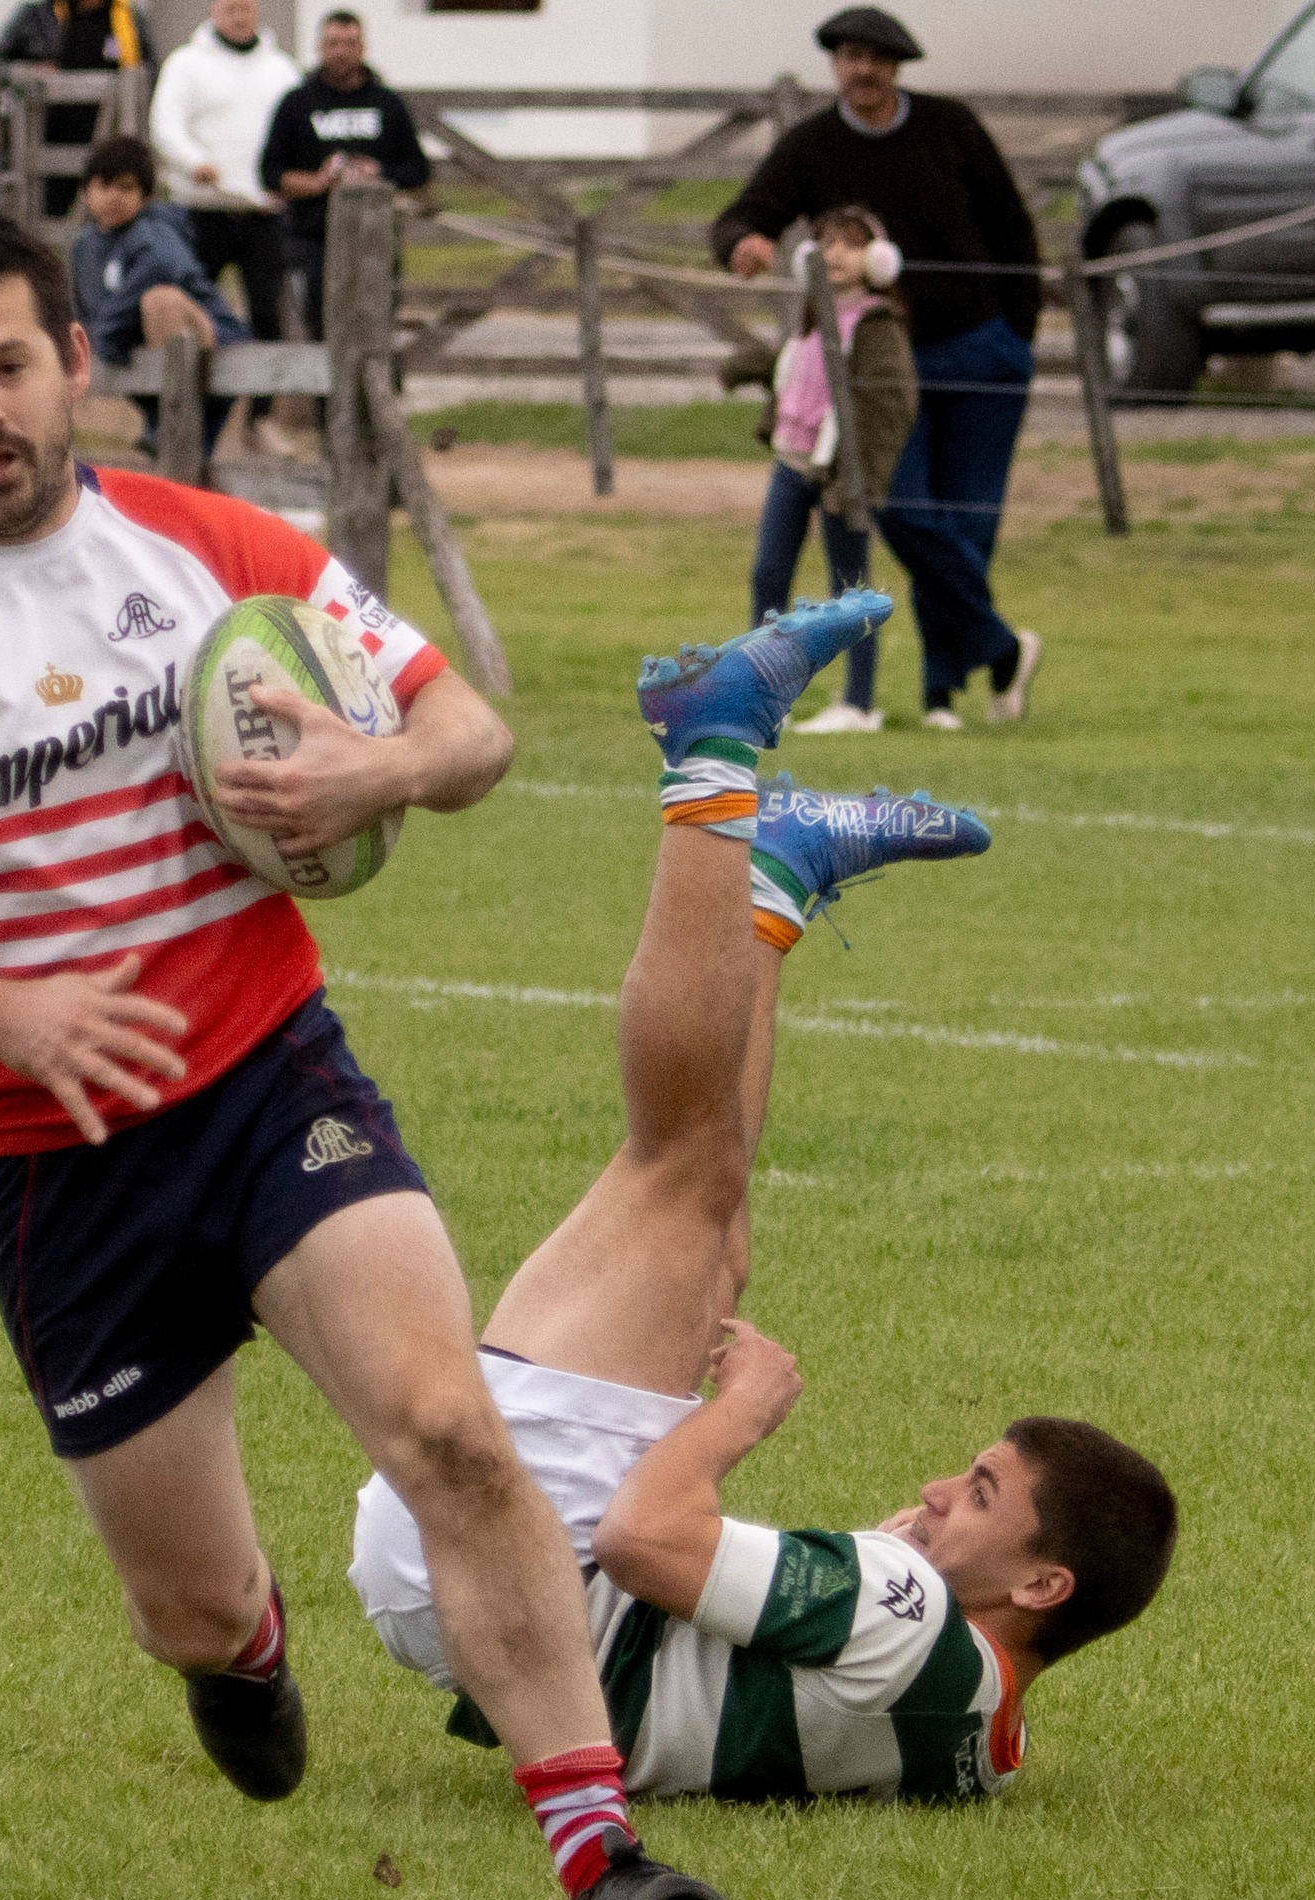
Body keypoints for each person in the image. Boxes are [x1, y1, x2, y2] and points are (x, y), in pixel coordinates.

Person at [0, 213, 731, 1900]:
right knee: (181, 1605)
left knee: (448, 1428)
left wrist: (385, 759)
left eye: (10, 366)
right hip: (55, 1173)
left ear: (75, 366)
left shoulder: (213, 551)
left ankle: (599, 1851)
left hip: (271, 1081)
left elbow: (470, 728)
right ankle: (240, 1641)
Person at [352, 601, 1178, 1801]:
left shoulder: (907, 1616)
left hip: (509, 1559)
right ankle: (776, 886)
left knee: (680, 1174)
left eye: (982, 1492)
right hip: (512, 1617)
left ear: (1043, 1586)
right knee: (717, 1239)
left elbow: (646, 1539)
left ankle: (714, 745)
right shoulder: (980, 1748)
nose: (941, 1489)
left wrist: (745, 1410)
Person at [711, 7, 1044, 729]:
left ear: (897, 69)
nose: (864, 71)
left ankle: (941, 693)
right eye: (851, 57)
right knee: (904, 511)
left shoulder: (950, 126)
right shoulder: (811, 145)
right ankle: (1001, 647)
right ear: (835, 65)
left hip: (981, 351)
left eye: (878, 60)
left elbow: (1012, 226)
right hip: (885, 365)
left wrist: (1018, 334)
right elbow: (746, 213)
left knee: (968, 525)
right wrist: (742, 242)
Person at [751, 206, 916, 737]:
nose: (836, 254)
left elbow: (890, 407)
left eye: (851, 243)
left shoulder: (877, 325)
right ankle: (763, 693)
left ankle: (858, 702)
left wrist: (857, 480)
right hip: (791, 463)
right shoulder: (811, 317)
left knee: (849, 590)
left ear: (878, 258)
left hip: (840, 475)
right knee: (769, 575)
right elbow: (796, 377)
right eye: (826, 242)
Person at [151, 0, 299, 451]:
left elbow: (295, 133)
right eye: (231, 6)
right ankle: (188, 419)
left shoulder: (282, 71)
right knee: (192, 313)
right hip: (202, 210)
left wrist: (288, 178)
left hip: (261, 212)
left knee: (268, 314)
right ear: (215, 9)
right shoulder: (186, 65)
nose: (240, 15)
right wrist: (194, 161)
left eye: (246, 7)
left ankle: (260, 419)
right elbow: (165, 124)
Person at [259, 9, 430, 343]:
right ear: (320, 47)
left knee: (376, 320)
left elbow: (418, 170)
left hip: (374, 236)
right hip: (313, 235)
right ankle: (325, 395)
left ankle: (377, 390)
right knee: (320, 321)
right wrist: (319, 181)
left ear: (362, 47)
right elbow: (270, 174)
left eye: (349, 43)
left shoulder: (387, 104)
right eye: (333, 43)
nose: (340, 52)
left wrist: (376, 172)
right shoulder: (297, 104)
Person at [70, 135, 248, 455]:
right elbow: (88, 308)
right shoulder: (85, 246)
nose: (114, 196)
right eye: (104, 186)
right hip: (145, 360)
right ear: (86, 190)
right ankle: (168, 432)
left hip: (213, 346)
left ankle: (175, 431)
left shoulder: (156, 234)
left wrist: (107, 336)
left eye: (126, 188)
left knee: (160, 300)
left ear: (145, 196)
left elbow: (157, 274)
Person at [0, 0, 157, 220]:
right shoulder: (37, 16)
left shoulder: (129, 20)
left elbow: (150, 79)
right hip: (45, 146)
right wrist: (28, 72)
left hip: (108, 151)